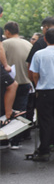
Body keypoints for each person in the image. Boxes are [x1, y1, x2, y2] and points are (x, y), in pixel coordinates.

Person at [28, 28, 54, 162]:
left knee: (45, 121)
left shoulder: (39, 54)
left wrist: (38, 86)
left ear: (45, 39)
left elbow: (34, 74)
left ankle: (45, 150)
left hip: (44, 90)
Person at [3, 21, 33, 149]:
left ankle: (5, 139)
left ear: (7, 31)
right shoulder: (28, 44)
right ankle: (17, 140)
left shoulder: (5, 44)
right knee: (21, 111)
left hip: (8, 84)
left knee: (6, 111)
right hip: (25, 82)